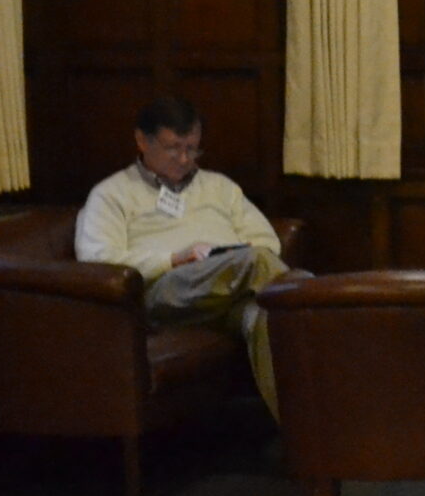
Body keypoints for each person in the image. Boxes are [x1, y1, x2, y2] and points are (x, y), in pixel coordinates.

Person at [74, 97, 300, 414]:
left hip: (230, 289)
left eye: (192, 149)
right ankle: (311, 298)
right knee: (264, 267)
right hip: (165, 292)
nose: (184, 159)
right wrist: (173, 259)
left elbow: (266, 241)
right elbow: (97, 260)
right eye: (173, 148)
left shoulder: (220, 187)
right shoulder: (111, 194)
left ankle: (305, 434)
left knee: (267, 317)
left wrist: (228, 255)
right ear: (142, 140)